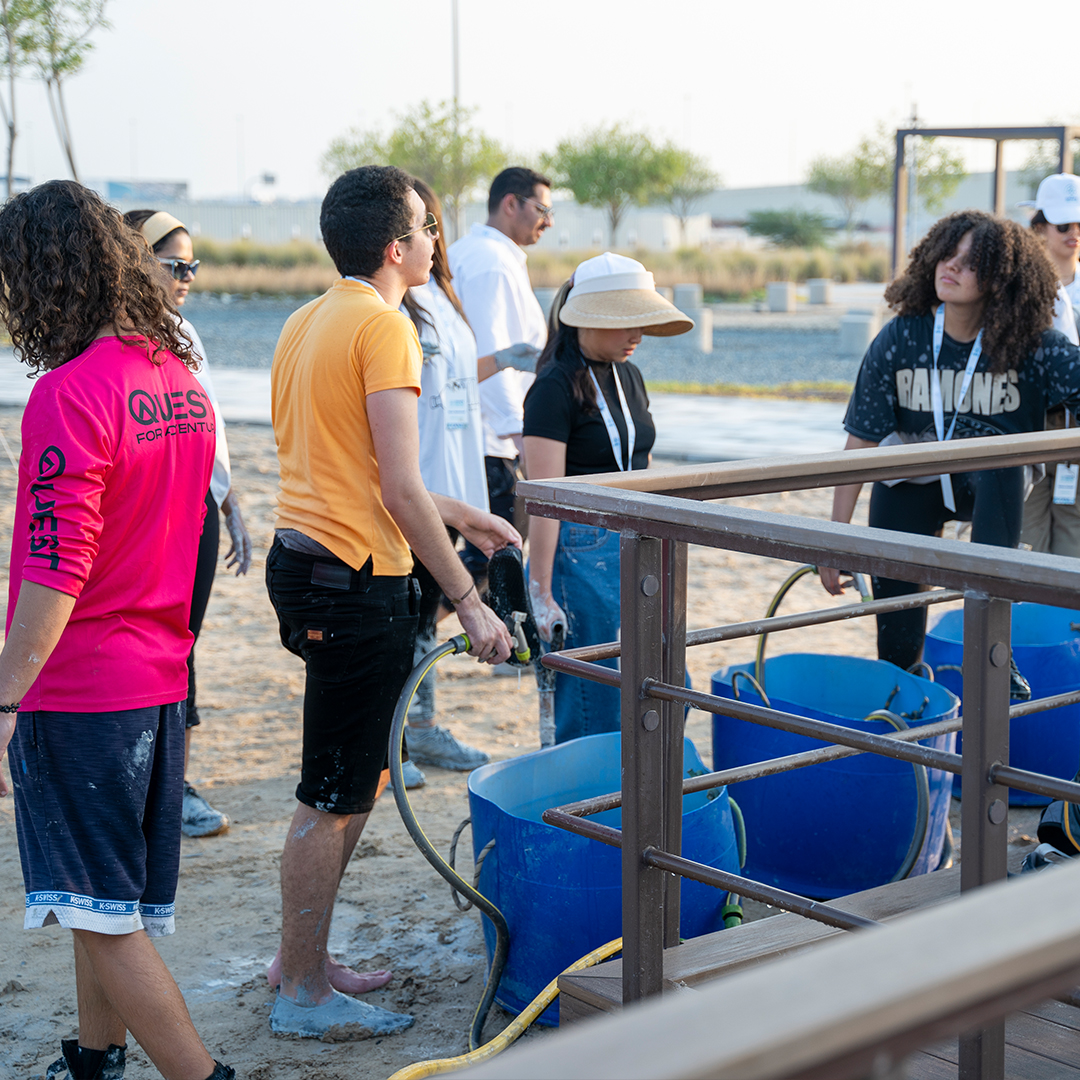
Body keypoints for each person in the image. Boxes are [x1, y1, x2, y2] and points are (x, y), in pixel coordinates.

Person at [264, 165, 514, 1039]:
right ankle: (298, 990)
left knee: (350, 780)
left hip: (304, 560)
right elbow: (401, 489)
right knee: (333, 791)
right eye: (425, 228)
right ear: (394, 247)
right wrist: (470, 602)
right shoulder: (385, 327)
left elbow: (363, 473)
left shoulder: (309, 319)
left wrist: (465, 515)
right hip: (348, 576)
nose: (436, 241)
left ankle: (303, 958)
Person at [0, 181, 232, 1080]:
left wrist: (7, 692)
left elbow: (55, 568)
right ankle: (95, 1060)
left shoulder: (68, 393)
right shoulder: (181, 381)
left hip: (84, 688)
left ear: (44, 281)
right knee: (95, 902)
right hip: (159, 678)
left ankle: (205, 1077)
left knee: (104, 914)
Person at [820, 210, 1080, 686]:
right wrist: (836, 539)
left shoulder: (1033, 344)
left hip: (994, 485)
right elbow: (861, 438)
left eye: (971, 261)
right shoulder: (902, 337)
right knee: (892, 481)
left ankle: (990, 647)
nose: (951, 267)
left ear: (1002, 278)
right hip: (917, 477)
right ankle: (900, 679)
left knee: (999, 463)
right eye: (947, 254)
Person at [522, 253, 694, 743]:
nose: (636, 333)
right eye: (625, 321)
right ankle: (590, 809)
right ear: (587, 317)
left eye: (642, 320)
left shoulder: (629, 376)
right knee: (591, 696)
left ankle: (644, 802)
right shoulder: (553, 387)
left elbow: (641, 463)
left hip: (639, 535)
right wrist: (541, 590)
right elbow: (546, 499)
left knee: (665, 676)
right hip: (580, 547)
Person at [123, 208, 253, 838]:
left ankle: (173, 785)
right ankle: (147, 782)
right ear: (134, 260)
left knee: (182, 645)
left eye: (193, 266)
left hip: (196, 510)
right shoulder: (114, 334)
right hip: (150, 511)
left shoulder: (183, 333)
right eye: (175, 265)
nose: (187, 277)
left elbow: (211, 427)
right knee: (143, 642)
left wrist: (229, 507)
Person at [448, 166, 552, 589]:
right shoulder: (492, 264)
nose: (547, 222)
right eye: (542, 209)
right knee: (494, 559)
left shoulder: (472, 252)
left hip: (467, 430)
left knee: (474, 556)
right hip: (489, 439)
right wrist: (517, 435)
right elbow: (492, 359)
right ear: (511, 203)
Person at [1019, 174, 1080, 556]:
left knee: (1075, 540)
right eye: (1063, 225)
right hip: (1032, 424)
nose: (1073, 233)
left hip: (1076, 430)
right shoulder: (1019, 286)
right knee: (1026, 537)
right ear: (1039, 228)